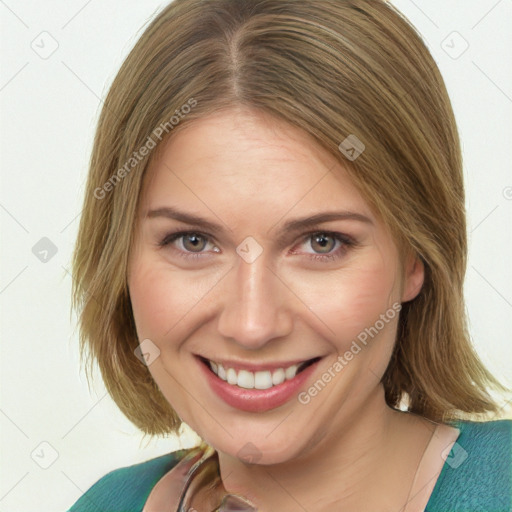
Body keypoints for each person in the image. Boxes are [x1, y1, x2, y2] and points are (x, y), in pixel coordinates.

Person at [67, 0, 511, 511]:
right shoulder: (108, 503)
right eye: (193, 241)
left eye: (323, 242)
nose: (252, 325)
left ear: (416, 257)